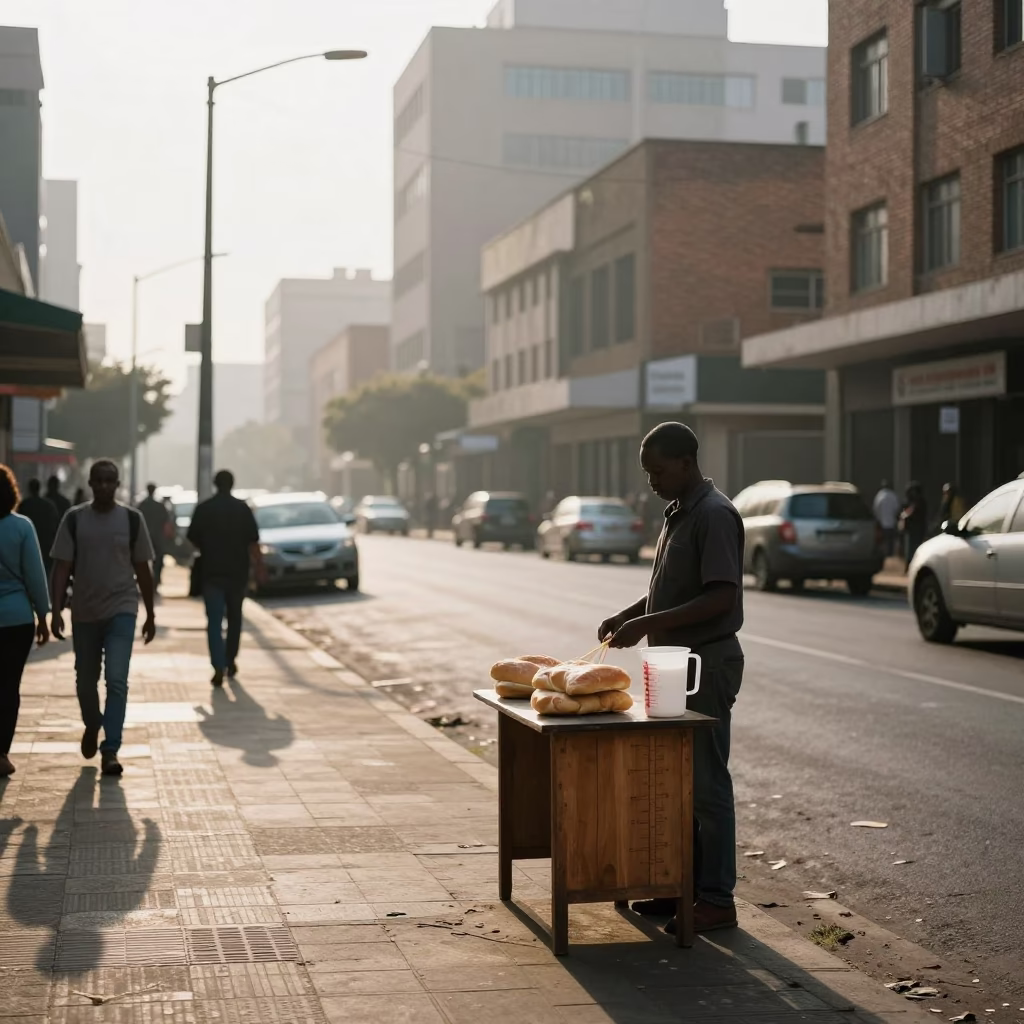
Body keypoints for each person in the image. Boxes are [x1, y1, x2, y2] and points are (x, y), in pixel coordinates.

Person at [598, 422, 744, 935]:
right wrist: (629, 615)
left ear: (686, 461)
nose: (652, 481)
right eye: (648, 473)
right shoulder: (677, 513)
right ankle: (678, 883)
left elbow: (720, 596)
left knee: (706, 783)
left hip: (708, 661)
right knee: (675, 780)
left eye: (658, 471)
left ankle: (716, 899)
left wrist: (647, 624)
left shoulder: (715, 515)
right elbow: (668, 590)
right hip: (675, 664)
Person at [50, 459, 156, 777]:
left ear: (119, 484)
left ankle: (110, 749)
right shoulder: (75, 519)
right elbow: (62, 569)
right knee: (85, 681)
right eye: (99, 481)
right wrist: (55, 610)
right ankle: (93, 722)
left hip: (122, 610)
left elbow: (143, 570)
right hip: (84, 612)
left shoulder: (132, 520)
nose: (105, 486)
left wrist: (150, 614)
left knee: (117, 680)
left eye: (111, 481)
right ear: (91, 484)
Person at [187, 469, 263, 687]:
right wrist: (259, 567)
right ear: (232, 484)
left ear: (214, 484)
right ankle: (230, 659)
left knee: (214, 621)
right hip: (237, 573)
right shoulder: (242, 509)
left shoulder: (204, 509)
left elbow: (193, 539)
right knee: (235, 619)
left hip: (212, 573)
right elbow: (253, 542)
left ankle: (218, 664)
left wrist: (209, 546)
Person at [0, 465, 50, 777]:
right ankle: (1, 752)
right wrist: (43, 615)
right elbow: (34, 574)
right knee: (9, 686)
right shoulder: (21, 527)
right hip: (17, 619)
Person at [17, 478, 60, 574]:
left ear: (29, 489)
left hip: (28, 548)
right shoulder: (49, 505)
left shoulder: (24, 505)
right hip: (46, 546)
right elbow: (56, 526)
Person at [137, 483, 171, 591]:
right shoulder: (160, 506)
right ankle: (155, 581)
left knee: (143, 561)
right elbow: (166, 523)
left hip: (144, 537)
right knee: (158, 561)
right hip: (158, 538)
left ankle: (145, 581)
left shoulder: (142, 505)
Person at [900, 482, 928, 566]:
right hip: (911, 529)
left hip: (916, 528)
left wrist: (905, 515)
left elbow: (911, 513)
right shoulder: (911, 501)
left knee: (913, 548)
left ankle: (912, 565)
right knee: (909, 549)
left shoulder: (919, 502)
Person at [872, 480, 900, 558]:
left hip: (881, 523)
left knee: (882, 541)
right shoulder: (893, 496)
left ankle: (883, 555)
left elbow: (875, 509)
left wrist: (878, 519)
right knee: (890, 542)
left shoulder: (879, 495)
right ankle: (890, 556)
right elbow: (897, 509)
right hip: (891, 523)